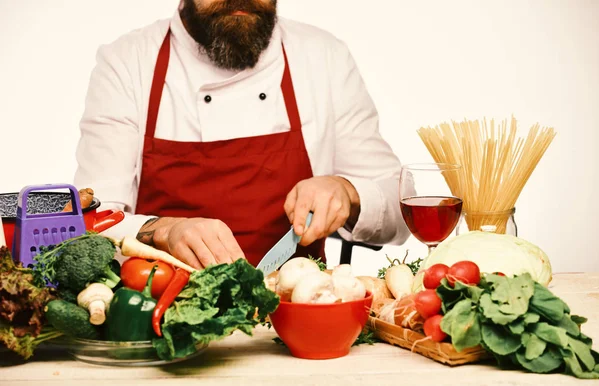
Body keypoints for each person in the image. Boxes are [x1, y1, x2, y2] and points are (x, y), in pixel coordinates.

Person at [74, 0, 412, 270]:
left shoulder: (323, 57)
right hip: (164, 315)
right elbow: (91, 221)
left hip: (294, 315)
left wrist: (347, 191)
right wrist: (163, 230)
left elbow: (401, 208)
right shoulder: (127, 62)